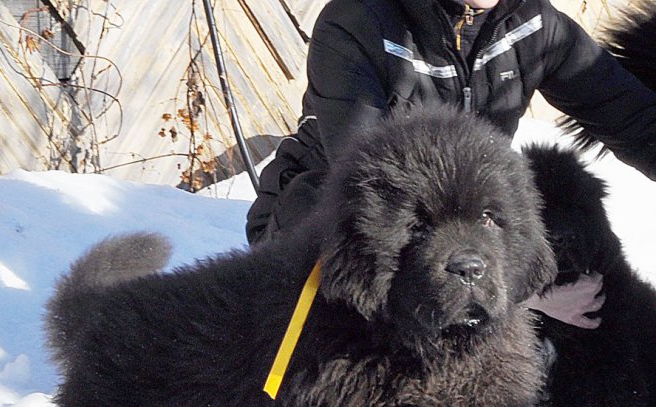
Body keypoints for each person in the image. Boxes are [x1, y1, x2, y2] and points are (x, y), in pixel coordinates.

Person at [246, 0, 656, 327]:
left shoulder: (533, 23)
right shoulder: (358, 21)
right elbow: (365, 195)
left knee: (561, 198)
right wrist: (529, 299)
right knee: (333, 235)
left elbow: (636, 120)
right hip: (333, 227)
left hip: (463, 226)